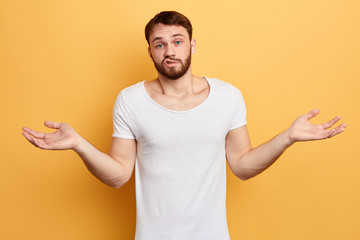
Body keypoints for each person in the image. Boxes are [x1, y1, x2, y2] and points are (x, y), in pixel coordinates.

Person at [22, 11, 347, 240]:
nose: (169, 50)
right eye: (160, 44)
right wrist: (80, 144)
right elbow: (119, 174)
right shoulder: (130, 100)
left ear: (192, 45)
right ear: (150, 51)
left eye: (177, 41)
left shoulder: (228, 96)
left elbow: (243, 165)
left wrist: (288, 137)